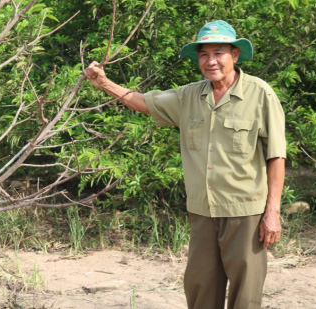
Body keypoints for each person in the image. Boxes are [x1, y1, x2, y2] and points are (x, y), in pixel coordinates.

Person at [84, 20, 285, 309]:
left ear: (235, 55)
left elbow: (276, 156)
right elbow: (143, 102)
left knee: (246, 293)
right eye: (204, 55)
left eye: (219, 53)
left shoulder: (260, 93)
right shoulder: (189, 95)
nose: (211, 61)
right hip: (202, 210)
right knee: (201, 287)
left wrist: (272, 213)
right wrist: (103, 83)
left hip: (246, 212)